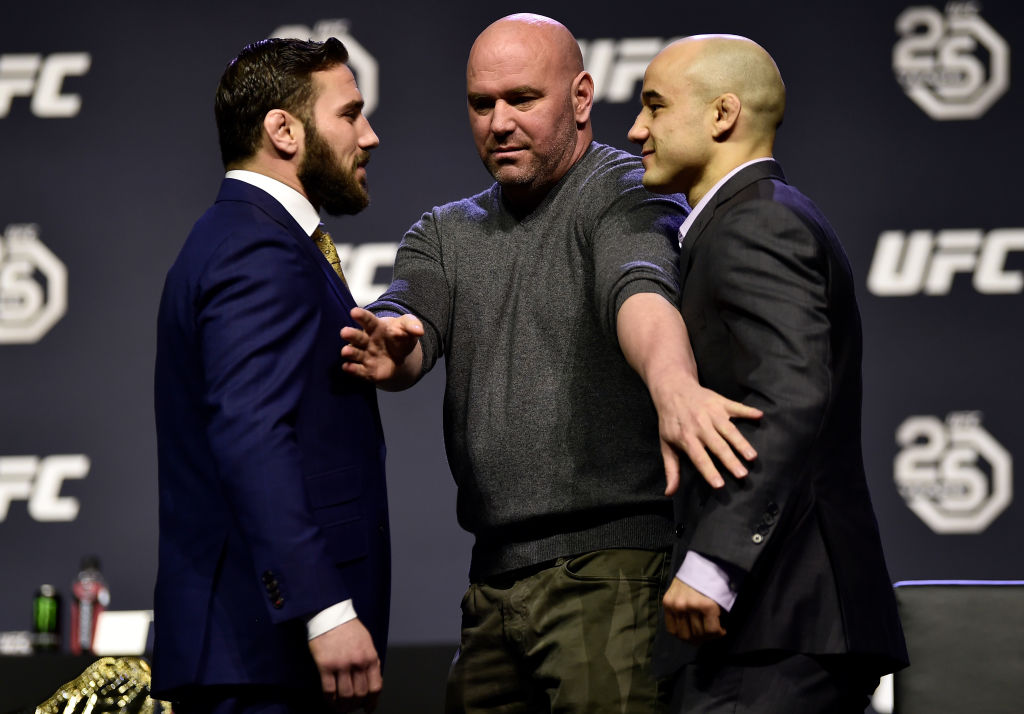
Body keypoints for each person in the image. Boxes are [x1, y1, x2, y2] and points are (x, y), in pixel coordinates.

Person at [340, 14, 761, 713]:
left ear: (581, 97)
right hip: (492, 585)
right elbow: (409, 316)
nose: (499, 122)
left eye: (523, 99)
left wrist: (673, 384)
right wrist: (397, 344)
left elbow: (638, 288)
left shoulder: (624, 190)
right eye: (482, 104)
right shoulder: (445, 231)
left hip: (613, 575)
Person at [627, 34, 909, 712]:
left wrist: (712, 565)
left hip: (778, 624)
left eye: (655, 107)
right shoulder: (744, 219)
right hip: (768, 628)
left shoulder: (756, 224)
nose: (637, 130)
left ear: (723, 114)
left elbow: (791, 395)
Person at [152, 38, 389, 713]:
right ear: (283, 130)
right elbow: (253, 435)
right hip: (263, 657)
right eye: (350, 115)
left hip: (256, 653)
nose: (369, 136)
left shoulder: (243, 236)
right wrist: (323, 609)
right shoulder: (258, 246)